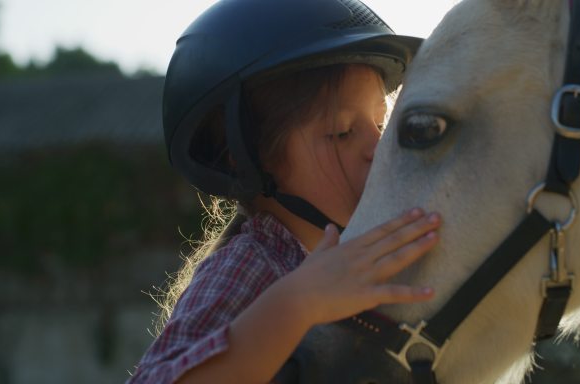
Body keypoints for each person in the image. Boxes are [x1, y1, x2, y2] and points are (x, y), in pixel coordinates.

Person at [128, 0, 441, 383]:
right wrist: (300, 302)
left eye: (379, 123)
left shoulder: (347, 264)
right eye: (341, 132)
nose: (377, 149)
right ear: (247, 159)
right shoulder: (252, 264)